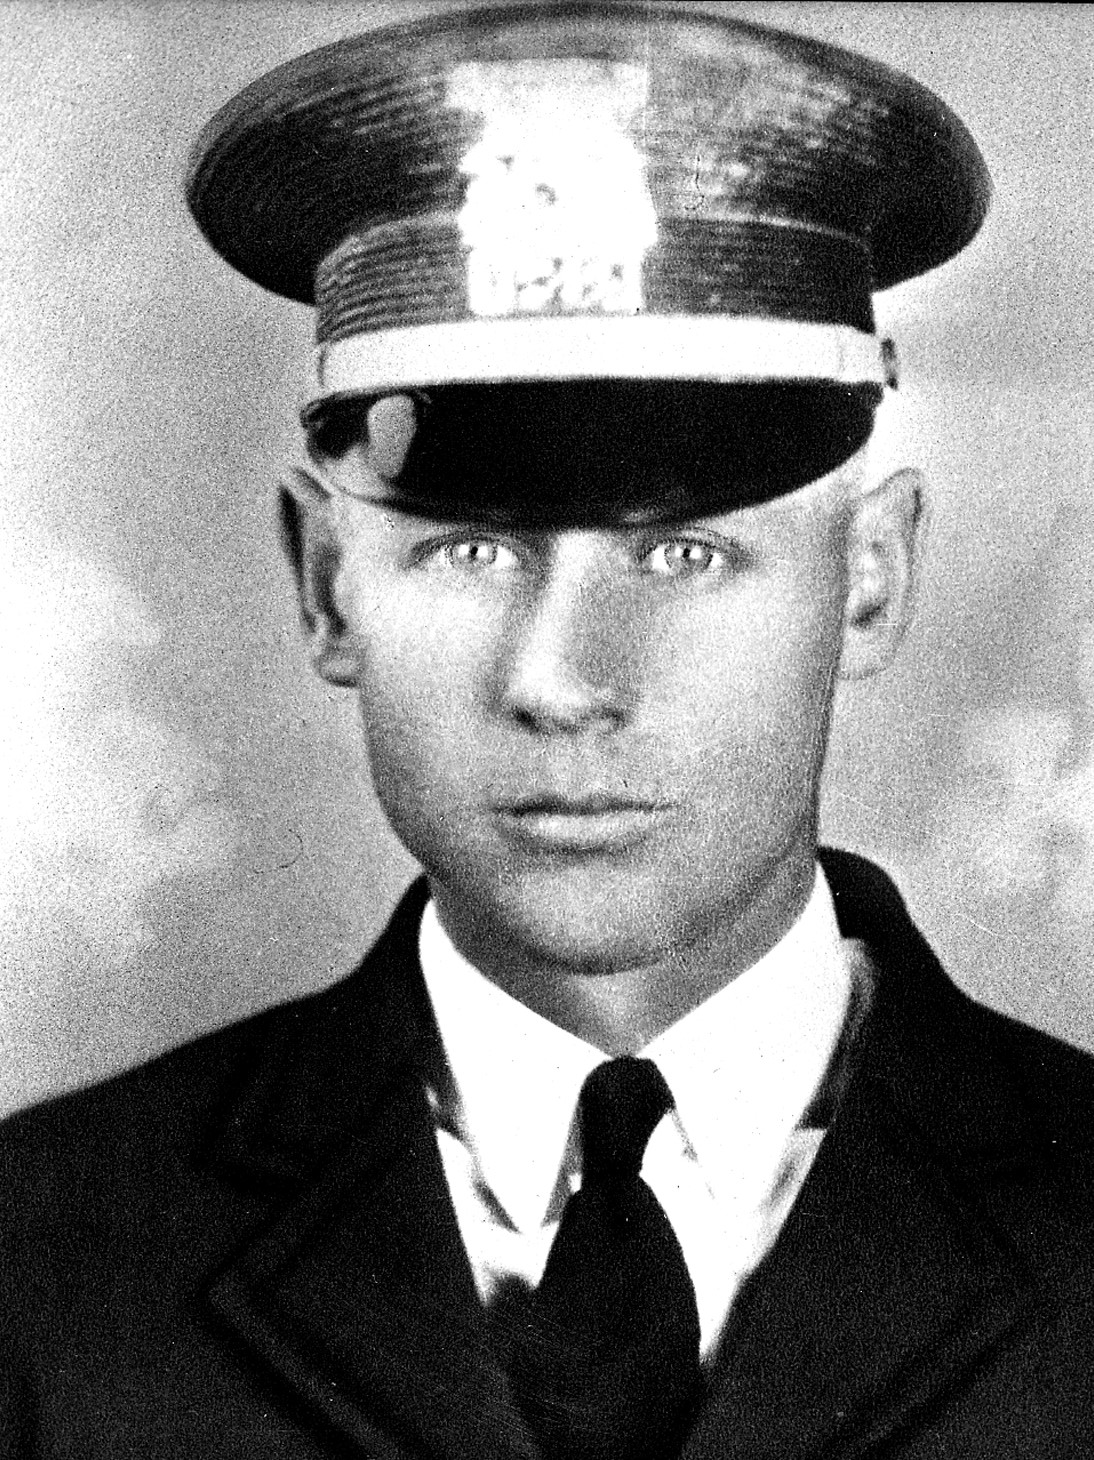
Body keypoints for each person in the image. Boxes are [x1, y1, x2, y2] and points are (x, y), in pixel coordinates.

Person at [1, 4, 1092, 1457]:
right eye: (470, 549)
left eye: (686, 552)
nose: (563, 681)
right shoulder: (40, 1252)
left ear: (870, 580)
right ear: (326, 587)